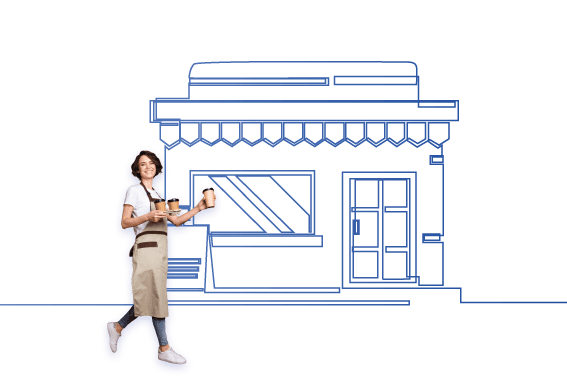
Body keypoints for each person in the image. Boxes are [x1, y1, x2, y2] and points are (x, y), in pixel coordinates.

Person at [107, 150, 212, 364]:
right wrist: (148, 216)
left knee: (150, 296)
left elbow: (177, 221)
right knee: (155, 296)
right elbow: (125, 222)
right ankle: (164, 347)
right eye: (143, 164)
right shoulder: (134, 191)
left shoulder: (158, 195)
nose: (148, 166)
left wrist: (199, 207)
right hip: (146, 249)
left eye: (151, 163)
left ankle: (117, 327)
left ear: (157, 166)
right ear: (137, 169)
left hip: (160, 250)